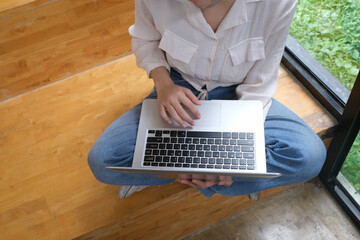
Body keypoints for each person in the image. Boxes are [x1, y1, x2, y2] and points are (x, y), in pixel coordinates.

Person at [88, 0, 327, 198]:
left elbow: (260, 82)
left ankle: (188, 170)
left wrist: (229, 155)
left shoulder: (277, 3)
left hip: (241, 94)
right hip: (178, 87)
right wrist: (164, 85)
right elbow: (144, 39)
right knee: (103, 161)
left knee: (310, 156)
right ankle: (240, 177)